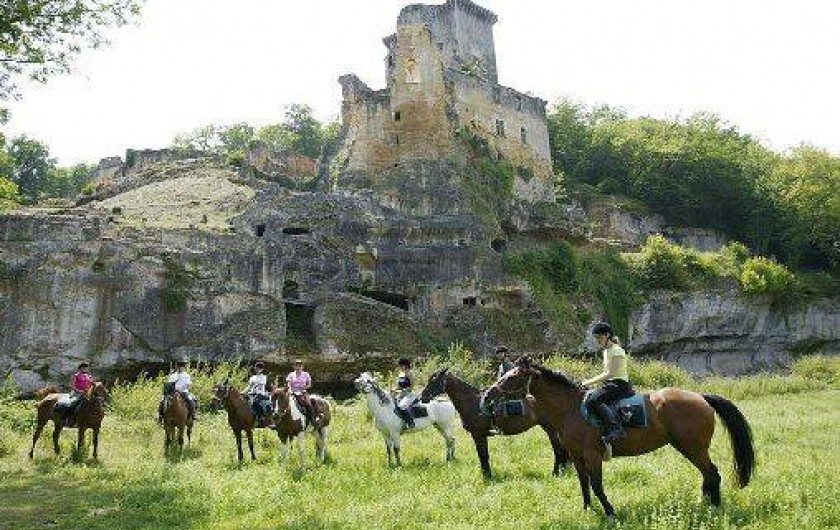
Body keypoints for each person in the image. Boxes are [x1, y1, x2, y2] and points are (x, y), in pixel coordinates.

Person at [582, 322, 634, 444]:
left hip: (620, 384)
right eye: (596, 338)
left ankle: (616, 429)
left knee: (594, 400)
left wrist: (588, 382)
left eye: (600, 337)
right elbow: (606, 373)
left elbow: (610, 373)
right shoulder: (606, 351)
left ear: (608, 336)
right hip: (611, 383)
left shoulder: (617, 351)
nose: (597, 340)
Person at [286, 359, 320, 426]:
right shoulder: (291, 375)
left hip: (303, 392)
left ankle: (313, 419)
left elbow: (309, 384)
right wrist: (290, 389)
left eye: (300, 366)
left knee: (308, 404)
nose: (298, 367)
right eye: (296, 366)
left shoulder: (306, 374)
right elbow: (288, 384)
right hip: (293, 393)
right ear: (294, 367)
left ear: (302, 367)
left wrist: (305, 387)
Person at [395, 357, 416, 428]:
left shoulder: (410, 373)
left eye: (400, 366)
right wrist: (394, 390)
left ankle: (410, 422)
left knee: (402, 406)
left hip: (409, 395)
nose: (399, 367)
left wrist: (403, 392)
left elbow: (411, 387)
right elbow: (399, 387)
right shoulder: (401, 374)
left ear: (405, 365)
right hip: (400, 394)